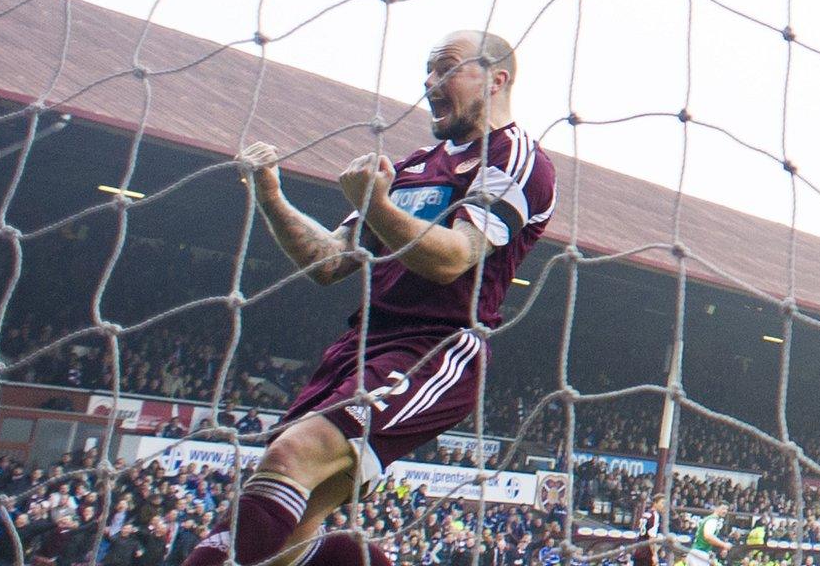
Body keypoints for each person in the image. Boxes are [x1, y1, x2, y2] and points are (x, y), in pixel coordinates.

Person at [184, 28, 555, 566]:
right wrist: (271, 195)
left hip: (435, 350)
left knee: (292, 454)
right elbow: (331, 262)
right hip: (356, 349)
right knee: (289, 536)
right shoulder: (412, 166)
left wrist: (376, 207)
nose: (430, 83)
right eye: (427, 71)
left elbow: (453, 257)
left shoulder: (517, 158)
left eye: (445, 69)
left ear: (497, 79)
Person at [633, 494, 667, 566]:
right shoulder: (655, 515)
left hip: (638, 551)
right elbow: (651, 538)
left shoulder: (646, 513)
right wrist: (654, 555)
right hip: (646, 554)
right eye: (662, 503)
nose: (663, 505)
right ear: (655, 503)